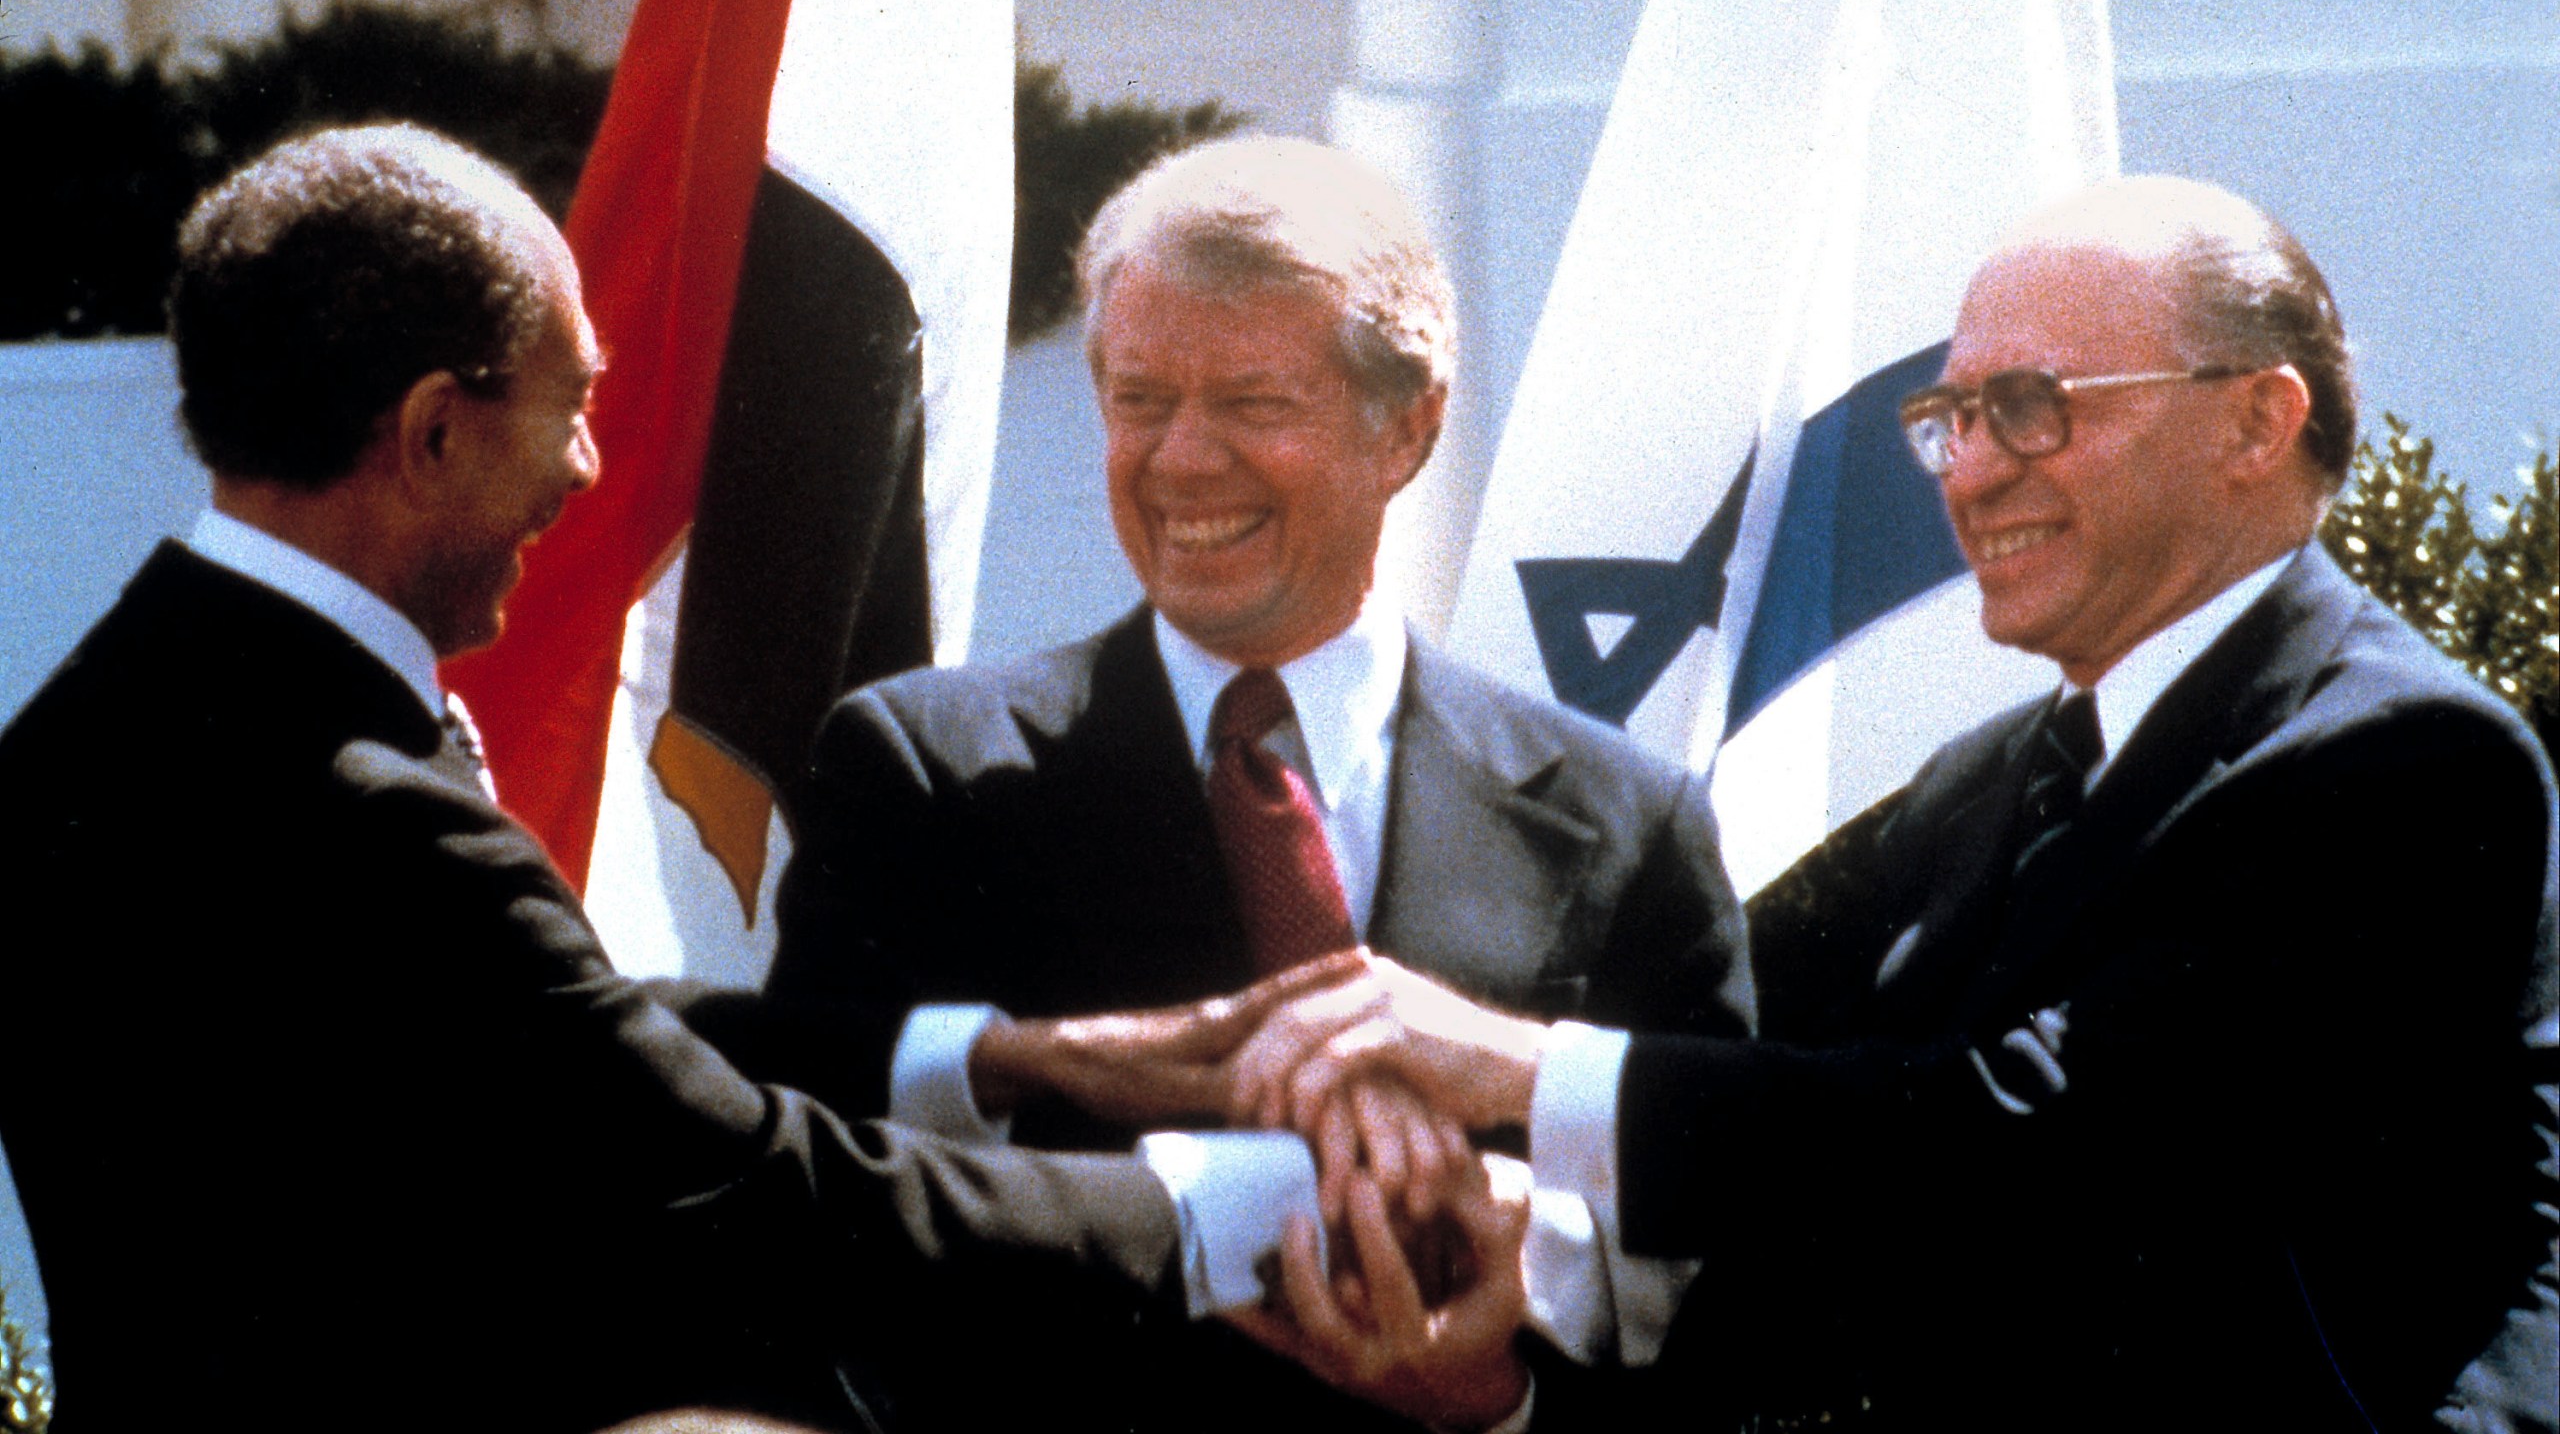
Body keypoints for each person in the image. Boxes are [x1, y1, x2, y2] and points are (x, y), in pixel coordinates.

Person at [0, 123, 1332, 1434]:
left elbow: (539, 1033)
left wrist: (1003, 1059)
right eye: (571, 407)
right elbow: (724, 1182)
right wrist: (1235, 1211)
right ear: (433, 436)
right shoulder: (366, 815)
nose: (586, 470)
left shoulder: (96, 725)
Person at [1216, 176, 2560, 1431]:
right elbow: (1742, 1061)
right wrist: (1505, 1323)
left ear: (2255, 424)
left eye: (2034, 404)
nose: (1970, 473)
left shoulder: (2404, 761)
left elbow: (2035, 1153)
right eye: (1952, 419)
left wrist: (1513, 1067)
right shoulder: (1984, 786)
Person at [750, 136, 1749, 1432]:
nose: (1180, 460)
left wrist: (1499, 1399)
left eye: (1253, 403)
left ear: (1409, 427)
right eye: (1138, 399)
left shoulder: (1630, 822)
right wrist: (1025, 1064)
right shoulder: (926, 767)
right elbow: (795, 1147)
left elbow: (1723, 1264)